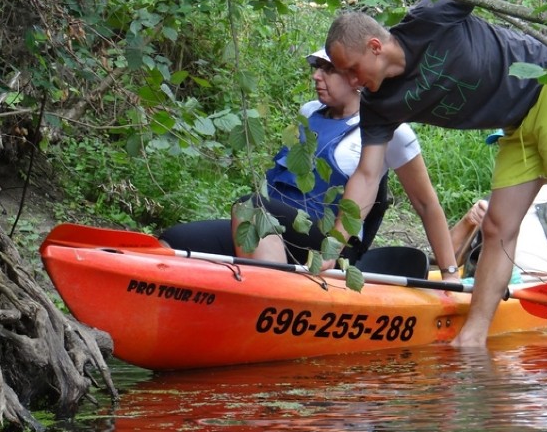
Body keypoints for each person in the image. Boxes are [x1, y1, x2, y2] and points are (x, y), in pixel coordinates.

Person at [322, 0, 547, 346]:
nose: (350, 81)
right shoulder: (378, 105)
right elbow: (366, 176)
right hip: (517, 123)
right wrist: (333, 245)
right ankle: (471, 340)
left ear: (375, 46)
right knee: (496, 228)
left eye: (351, 69)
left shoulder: (426, 19)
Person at [163, 48, 459, 276]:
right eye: (317, 68)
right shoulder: (309, 111)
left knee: (252, 206)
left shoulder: (394, 132)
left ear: (357, 78)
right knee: (173, 240)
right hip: (273, 228)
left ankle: (272, 299)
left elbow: (426, 205)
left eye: (328, 69)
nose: (317, 76)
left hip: (328, 242)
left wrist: (448, 274)